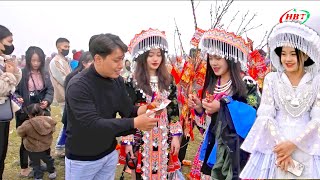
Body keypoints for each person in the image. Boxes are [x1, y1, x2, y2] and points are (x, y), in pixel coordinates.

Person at [64, 33, 159, 179]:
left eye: (122, 59)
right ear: (98, 59)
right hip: (82, 159)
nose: (121, 65)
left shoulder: (117, 81)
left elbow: (128, 110)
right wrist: (135, 123)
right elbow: (92, 124)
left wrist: (145, 109)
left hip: (108, 153)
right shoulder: (78, 86)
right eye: (116, 60)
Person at [240, 13, 320, 179]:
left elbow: (317, 118)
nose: (287, 59)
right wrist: (282, 147)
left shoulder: (316, 81)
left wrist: (294, 144)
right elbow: (266, 116)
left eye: (293, 53)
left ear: (305, 54)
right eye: (283, 53)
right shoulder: (272, 79)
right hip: (276, 148)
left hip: (308, 146)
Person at [187, 28, 260, 179]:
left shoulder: (246, 84)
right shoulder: (213, 84)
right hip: (213, 146)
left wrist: (223, 106)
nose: (213, 62)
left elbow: (255, 115)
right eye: (211, 58)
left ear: (229, 58)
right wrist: (200, 108)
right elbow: (208, 125)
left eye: (218, 58)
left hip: (236, 152)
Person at [119, 28, 182, 180]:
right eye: (151, 55)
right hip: (140, 136)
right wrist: (128, 141)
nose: (155, 59)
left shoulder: (168, 80)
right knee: (140, 173)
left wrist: (175, 137)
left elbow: (173, 111)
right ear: (142, 56)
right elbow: (126, 113)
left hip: (163, 136)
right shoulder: (132, 81)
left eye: (159, 55)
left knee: (164, 173)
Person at [15, 46, 54, 178]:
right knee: (26, 139)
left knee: (44, 136)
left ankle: (45, 163)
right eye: (33, 61)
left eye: (38, 61)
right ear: (28, 60)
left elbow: (50, 90)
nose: (36, 64)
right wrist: (18, 98)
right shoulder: (21, 74)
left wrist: (47, 101)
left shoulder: (45, 73)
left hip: (42, 112)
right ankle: (25, 166)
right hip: (25, 111)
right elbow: (13, 91)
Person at [0, 24, 22, 178]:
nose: (11, 45)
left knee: (2, 151)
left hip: (4, 112)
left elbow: (13, 86)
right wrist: (9, 75)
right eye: (9, 42)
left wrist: (14, 71)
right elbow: (2, 88)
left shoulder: (4, 61)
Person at [17, 103, 57, 180]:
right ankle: (52, 172)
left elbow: (20, 132)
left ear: (29, 115)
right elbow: (53, 129)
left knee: (35, 164)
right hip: (45, 147)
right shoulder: (49, 121)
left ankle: (38, 177)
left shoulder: (26, 125)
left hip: (32, 148)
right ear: (42, 112)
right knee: (48, 159)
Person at [60, 51, 93, 139]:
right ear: (84, 63)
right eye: (91, 62)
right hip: (73, 115)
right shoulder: (72, 77)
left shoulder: (96, 76)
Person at [49, 37, 71, 157]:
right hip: (63, 95)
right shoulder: (55, 61)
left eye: (68, 47)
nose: (67, 49)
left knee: (68, 121)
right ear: (58, 47)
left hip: (68, 94)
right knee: (66, 121)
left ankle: (63, 146)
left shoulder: (65, 60)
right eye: (65, 47)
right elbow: (63, 79)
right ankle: (59, 148)